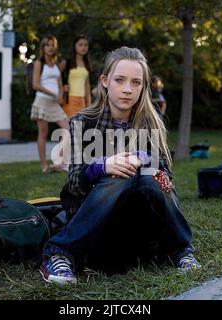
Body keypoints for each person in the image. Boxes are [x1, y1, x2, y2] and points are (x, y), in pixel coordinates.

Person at [39, 47, 200, 285]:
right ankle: (59, 254)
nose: (128, 89)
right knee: (120, 174)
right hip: (98, 221)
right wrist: (102, 166)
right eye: (120, 80)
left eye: (136, 82)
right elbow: (74, 183)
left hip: (140, 226)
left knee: (151, 176)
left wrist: (143, 158)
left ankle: (181, 251)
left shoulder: (150, 122)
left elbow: (166, 176)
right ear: (104, 81)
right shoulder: (82, 122)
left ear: (143, 86)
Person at [30, 36, 69, 172]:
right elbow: (35, 85)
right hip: (42, 101)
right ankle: (44, 165)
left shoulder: (57, 65)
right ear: (43, 48)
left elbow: (59, 84)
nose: (50, 48)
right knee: (43, 133)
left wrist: (61, 95)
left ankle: (58, 162)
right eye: (47, 45)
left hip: (54, 104)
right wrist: (53, 94)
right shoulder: (38, 64)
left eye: (52, 45)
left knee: (67, 128)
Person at [60, 35, 92, 118]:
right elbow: (55, 77)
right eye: (80, 45)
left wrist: (89, 105)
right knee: (68, 128)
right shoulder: (66, 62)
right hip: (69, 100)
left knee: (78, 129)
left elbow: (87, 86)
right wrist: (62, 87)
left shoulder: (86, 64)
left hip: (82, 102)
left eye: (85, 45)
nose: (83, 47)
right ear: (75, 46)